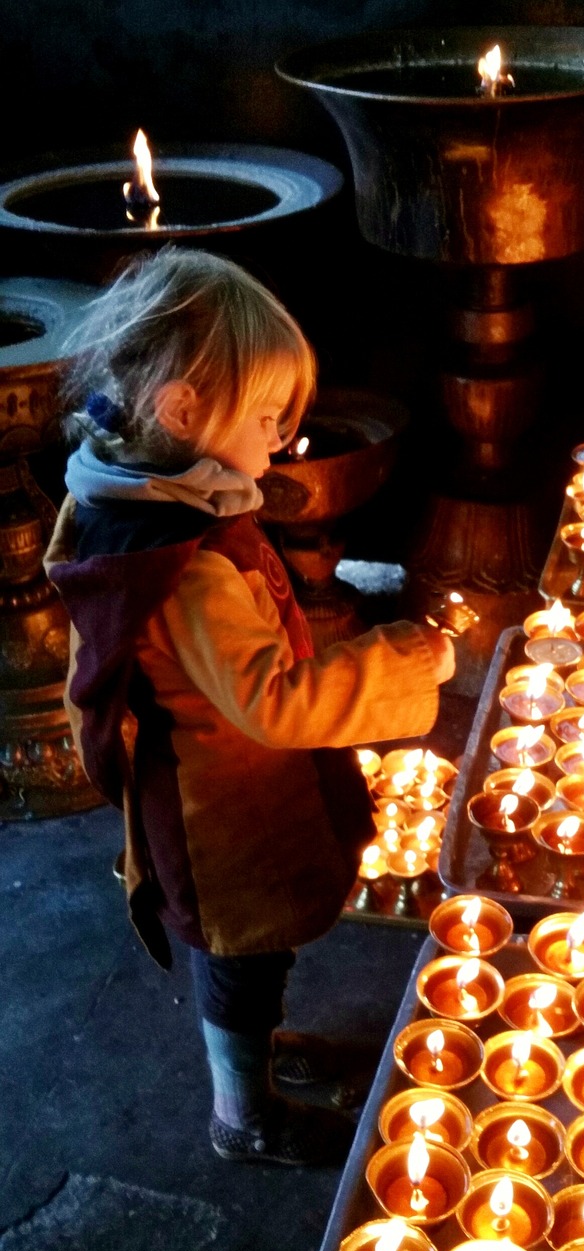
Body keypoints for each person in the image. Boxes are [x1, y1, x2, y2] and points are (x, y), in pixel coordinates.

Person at [44, 246, 455, 1167]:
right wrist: (409, 658)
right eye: (267, 418)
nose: (282, 441)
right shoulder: (184, 566)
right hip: (217, 807)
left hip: (217, 778)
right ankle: (245, 1114)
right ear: (182, 410)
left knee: (252, 957)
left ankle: (256, 1051)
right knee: (239, 955)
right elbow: (272, 702)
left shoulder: (148, 488)